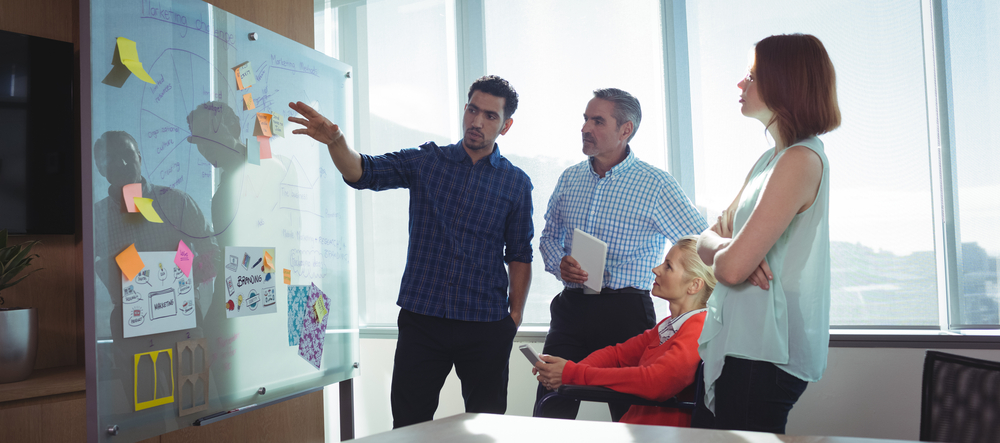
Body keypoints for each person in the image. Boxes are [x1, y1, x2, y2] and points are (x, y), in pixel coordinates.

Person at [287, 75, 533, 428]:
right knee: (409, 424)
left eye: (490, 116)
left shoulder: (516, 183)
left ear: (505, 125)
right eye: (473, 110)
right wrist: (336, 141)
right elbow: (363, 171)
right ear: (465, 109)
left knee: (487, 425)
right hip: (423, 320)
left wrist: (515, 318)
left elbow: (520, 254)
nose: (477, 122)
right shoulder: (427, 161)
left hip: (485, 322)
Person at [693, 34, 840, 434]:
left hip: (762, 353)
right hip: (743, 341)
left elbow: (730, 270)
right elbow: (704, 239)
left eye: (752, 76)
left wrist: (733, 257)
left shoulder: (799, 160)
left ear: (784, 83)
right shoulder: (769, 160)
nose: (740, 85)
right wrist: (731, 249)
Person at [535, 88, 707, 421]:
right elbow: (548, 237)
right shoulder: (569, 179)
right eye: (585, 119)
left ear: (625, 130)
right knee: (551, 403)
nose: (586, 127)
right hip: (571, 308)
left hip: (624, 312)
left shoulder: (656, 184)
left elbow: (699, 243)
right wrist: (560, 263)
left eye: (597, 121)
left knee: (632, 415)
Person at [533, 235, 715, 427]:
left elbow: (656, 382)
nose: (655, 269)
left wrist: (572, 374)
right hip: (639, 429)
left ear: (695, 285)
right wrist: (564, 372)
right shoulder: (667, 326)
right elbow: (617, 355)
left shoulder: (698, 327)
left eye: (668, 266)